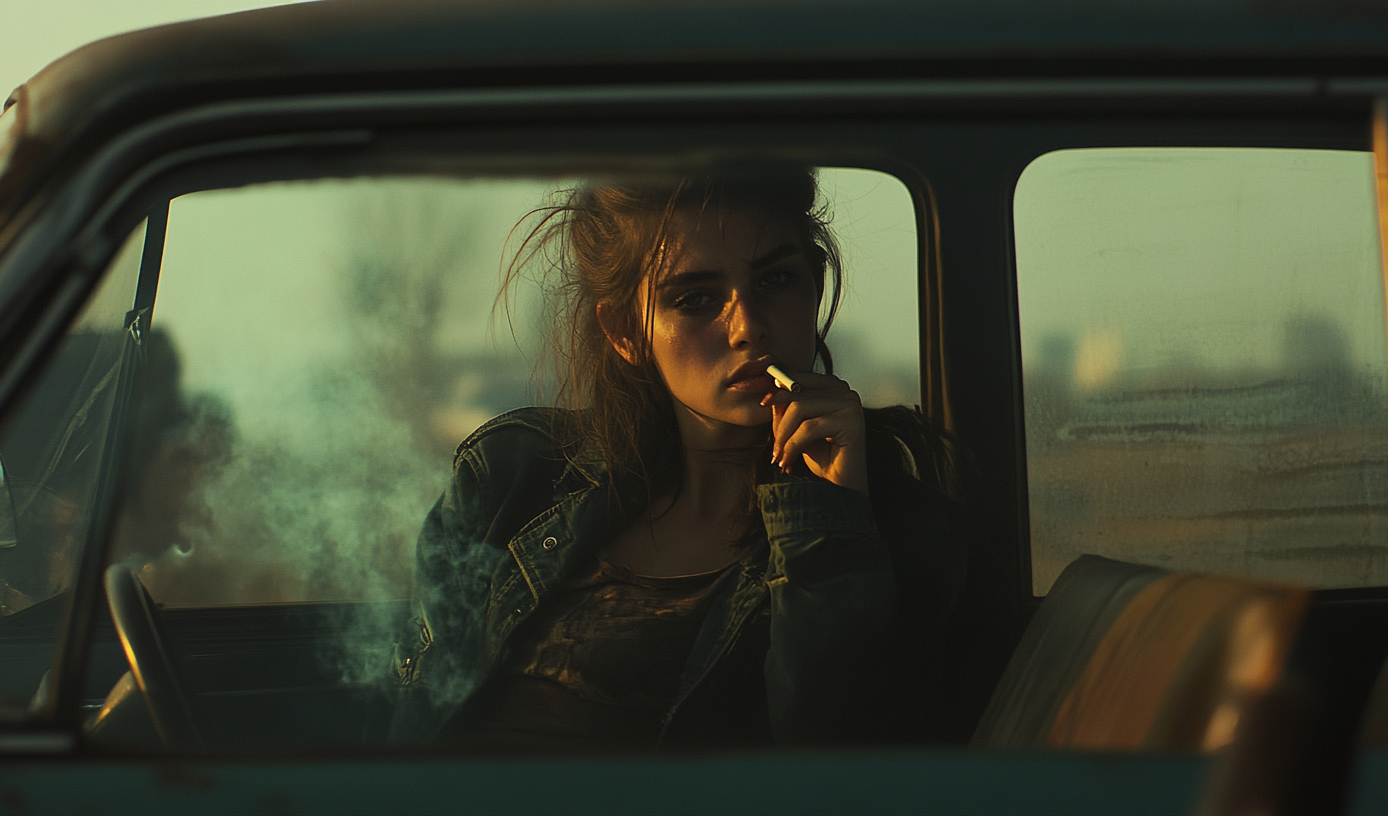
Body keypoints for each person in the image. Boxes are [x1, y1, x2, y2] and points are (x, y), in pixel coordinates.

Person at [392, 164, 988, 751]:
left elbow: (842, 765)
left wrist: (827, 524)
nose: (748, 327)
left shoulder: (899, 533)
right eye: (696, 299)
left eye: (777, 280)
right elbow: (411, 723)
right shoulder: (511, 478)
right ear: (626, 331)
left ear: (816, 285)